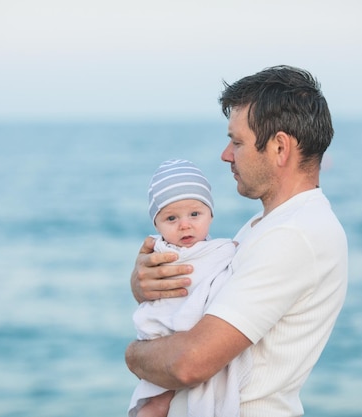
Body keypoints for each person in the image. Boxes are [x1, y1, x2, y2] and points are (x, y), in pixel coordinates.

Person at [125, 65, 348, 417]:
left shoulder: (293, 235)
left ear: (279, 147)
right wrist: (146, 284)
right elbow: (199, 293)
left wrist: (133, 355)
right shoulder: (268, 226)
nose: (226, 154)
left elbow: (189, 364)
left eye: (237, 141)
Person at [129, 159, 250, 417]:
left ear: (211, 214)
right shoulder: (160, 252)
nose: (185, 225)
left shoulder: (221, 249)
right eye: (171, 218)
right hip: (163, 336)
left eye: (195, 214)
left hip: (195, 344)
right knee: (154, 404)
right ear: (156, 225)